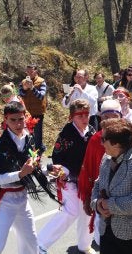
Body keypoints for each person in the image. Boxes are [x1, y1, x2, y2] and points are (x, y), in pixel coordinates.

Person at [0, 101, 58, 254]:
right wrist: (20, 174)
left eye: (21, 119)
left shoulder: (29, 139)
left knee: (31, 243)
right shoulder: (1, 145)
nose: (18, 123)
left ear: (25, 117)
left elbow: (34, 168)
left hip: (22, 199)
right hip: (4, 200)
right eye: (13, 120)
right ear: (5, 120)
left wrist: (49, 170)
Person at [38, 99, 96, 254]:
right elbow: (57, 158)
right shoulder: (66, 135)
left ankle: (84, 245)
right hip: (69, 179)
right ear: (71, 117)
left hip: (88, 180)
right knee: (71, 211)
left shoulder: (91, 131)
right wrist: (64, 171)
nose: (84, 119)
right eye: (80, 115)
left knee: (87, 211)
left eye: (86, 114)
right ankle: (39, 244)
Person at [91, 118, 132, 253]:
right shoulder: (106, 157)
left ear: (116, 144)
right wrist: (97, 204)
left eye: (104, 139)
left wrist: (110, 205)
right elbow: (98, 184)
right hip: (108, 233)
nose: (101, 142)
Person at [78, 99, 122, 246]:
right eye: (105, 117)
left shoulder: (130, 138)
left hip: (125, 200)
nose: (108, 120)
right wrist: (87, 197)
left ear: (120, 116)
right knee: (102, 239)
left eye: (112, 116)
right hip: (102, 199)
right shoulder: (96, 139)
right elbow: (88, 169)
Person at [19, 64, 48, 155]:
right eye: (27, 71)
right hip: (27, 113)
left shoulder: (41, 81)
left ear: (36, 71)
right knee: (28, 134)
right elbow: (20, 95)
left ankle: (39, 152)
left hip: (38, 112)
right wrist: (24, 89)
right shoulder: (23, 82)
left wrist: (32, 88)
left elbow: (41, 96)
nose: (29, 73)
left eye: (31, 71)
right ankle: (30, 152)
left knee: (38, 135)